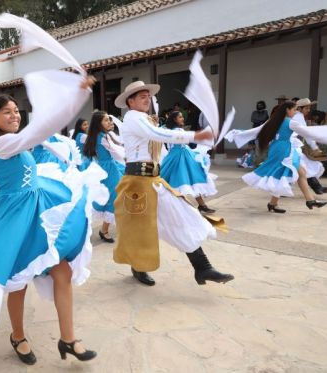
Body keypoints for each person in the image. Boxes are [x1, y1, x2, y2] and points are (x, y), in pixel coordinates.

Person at [0, 72, 103, 364]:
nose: (14, 115)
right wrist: (76, 96)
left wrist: (67, 159)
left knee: (62, 271)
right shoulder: (1, 144)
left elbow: (45, 140)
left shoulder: (14, 139)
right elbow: (40, 131)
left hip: (38, 208)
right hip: (15, 216)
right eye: (7, 112)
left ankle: (68, 340)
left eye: (16, 111)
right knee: (18, 281)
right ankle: (18, 336)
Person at [113, 80, 234, 287]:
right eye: (141, 96)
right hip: (137, 184)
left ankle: (202, 267)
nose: (146, 99)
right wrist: (194, 135)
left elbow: (158, 143)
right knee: (139, 229)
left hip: (153, 181)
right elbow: (158, 134)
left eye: (147, 96)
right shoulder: (134, 118)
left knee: (183, 215)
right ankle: (139, 266)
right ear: (130, 101)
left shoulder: (145, 119)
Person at [239, 101, 327, 213]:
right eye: (294, 109)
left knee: (301, 172)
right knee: (283, 175)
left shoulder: (274, 120)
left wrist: (240, 134)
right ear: (287, 110)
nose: (295, 112)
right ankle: (305, 201)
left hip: (277, 148)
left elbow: (257, 130)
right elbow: (308, 133)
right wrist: (325, 135)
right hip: (284, 150)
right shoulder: (290, 122)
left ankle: (277, 203)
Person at [160, 111, 217, 213]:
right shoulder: (177, 130)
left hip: (179, 155)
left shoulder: (170, 130)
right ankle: (198, 205)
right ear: (174, 119)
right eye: (180, 117)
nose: (182, 119)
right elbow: (186, 140)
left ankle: (201, 205)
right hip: (179, 156)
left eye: (182, 117)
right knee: (188, 180)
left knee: (184, 181)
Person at [83, 111, 125, 243]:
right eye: (106, 120)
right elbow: (116, 152)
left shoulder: (96, 136)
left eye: (109, 120)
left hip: (103, 168)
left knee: (110, 196)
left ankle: (104, 228)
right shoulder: (103, 137)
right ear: (98, 123)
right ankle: (104, 230)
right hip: (109, 169)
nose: (110, 122)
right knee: (114, 196)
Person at [292, 98, 327, 194]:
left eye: (309, 108)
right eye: (306, 108)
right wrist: (315, 147)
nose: (308, 110)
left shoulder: (297, 116)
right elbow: (307, 134)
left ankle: (317, 188)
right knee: (305, 166)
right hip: (291, 146)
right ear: (300, 109)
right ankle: (317, 188)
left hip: (293, 146)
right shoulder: (298, 117)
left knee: (305, 166)